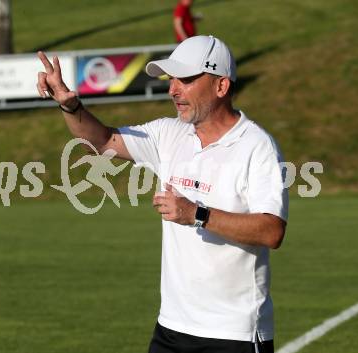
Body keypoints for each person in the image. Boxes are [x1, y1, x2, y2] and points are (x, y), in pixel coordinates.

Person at [37, 35, 288, 353]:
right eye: (172, 80)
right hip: (171, 329)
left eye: (186, 80)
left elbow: (271, 231)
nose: (173, 89)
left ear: (221, 86)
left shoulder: (257, 146)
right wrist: (69, 104)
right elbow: (102, 142)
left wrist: (197, 213)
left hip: (233, 334)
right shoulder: (169, 133)